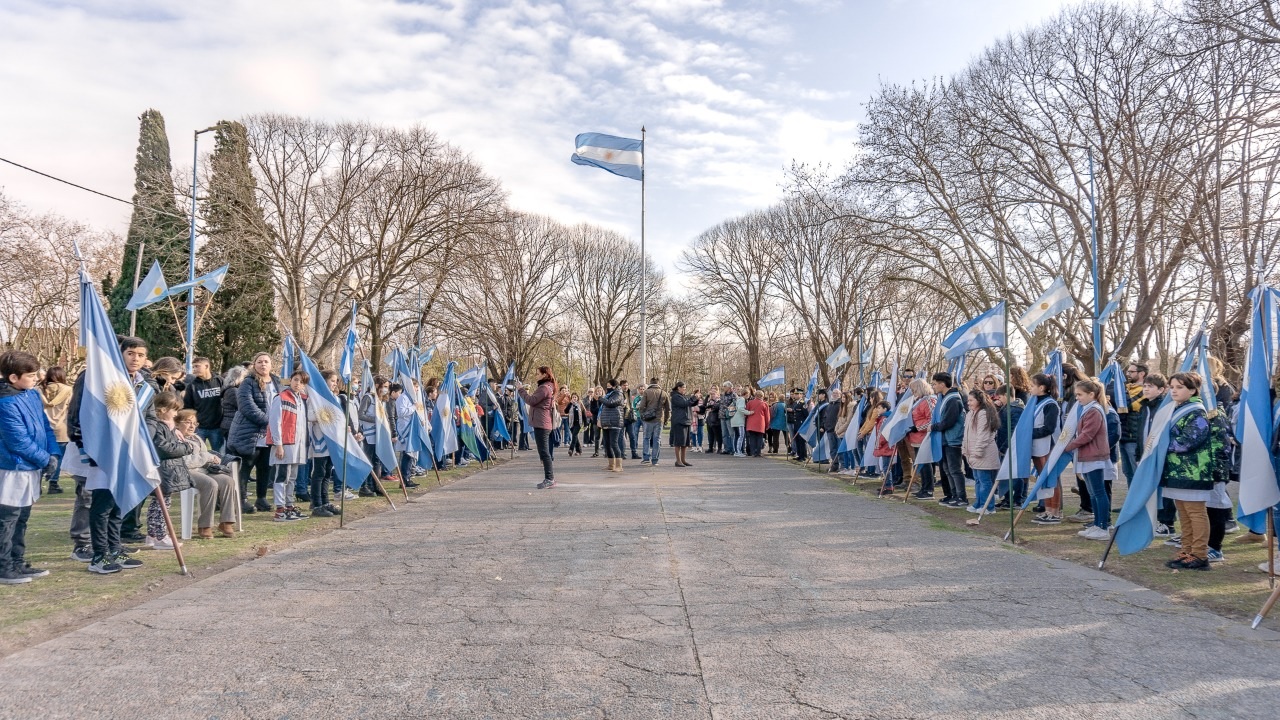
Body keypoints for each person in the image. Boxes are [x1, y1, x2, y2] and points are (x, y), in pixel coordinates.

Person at [0, 351, 60, 583]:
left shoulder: (32, 395)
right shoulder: (5, 403)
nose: (37, 379)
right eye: (31, 375)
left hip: (32, 466)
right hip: (12, 469)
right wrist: (45, 460)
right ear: (14, 377)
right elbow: (18, 441)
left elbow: (45, 427)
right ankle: (4, 566)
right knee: (8, 519)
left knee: (22, 517)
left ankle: (17, 561)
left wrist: (53, 453)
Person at [1159, 372, 1213, 570]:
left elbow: (1189, 441)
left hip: (1194, 471)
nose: (1174, 390)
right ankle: (1187, 549)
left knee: (1195, 513)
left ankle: (1200, 555)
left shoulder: (1197, 412)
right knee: (1183, 512)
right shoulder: (1177, 409)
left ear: (1192, 390)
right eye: (1172, 386)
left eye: (1179, 387)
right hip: (1177, 471)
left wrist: (1161, 444)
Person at [227, 352, 281, 513]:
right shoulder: (247, 383)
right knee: (247, 466)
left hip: (269, 434)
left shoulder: (277, 382)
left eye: (266, 362)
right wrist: (269, 421)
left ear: (271, 365)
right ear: (254, 365)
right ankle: (241, 499)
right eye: (259, 362)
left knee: (265, 466)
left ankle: (261, 498)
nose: (263, 364)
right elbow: (247, 407)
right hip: (249, 432)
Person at [1063, 379, 1115, 541]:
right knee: (1092, 493)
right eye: (1076, 395)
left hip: (1094, 457)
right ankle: (1097, 523)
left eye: (1080, 395)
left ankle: (1103, 527)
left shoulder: (1094, 410)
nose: (1077, 398)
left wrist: (1067, 446)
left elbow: (1087, 434)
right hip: (1087, 456)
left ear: (1091, 394)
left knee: (1099, 492)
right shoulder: (1087, 409)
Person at [174, 409, 238, 537]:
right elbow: (184, 463)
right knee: (210, 484)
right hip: (185, 473)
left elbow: (204, 458)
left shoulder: (196, 438)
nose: (192, 426)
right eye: (188, 422)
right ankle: (205, 525)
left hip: (203, 470)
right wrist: (206, 457)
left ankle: (226, 522)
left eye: (194, 423)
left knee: (228, 481)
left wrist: (212, 460)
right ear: (177, 424)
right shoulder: (175, 439)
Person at [146, 392, 191, 550]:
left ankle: (152, 534)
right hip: (163, 471)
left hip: (168, 471)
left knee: (160, 503)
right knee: (161, 505)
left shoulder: (168, 426)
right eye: (174, 410)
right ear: (163, 409)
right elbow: (163, 448)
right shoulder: (158, 426)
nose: (176, 414)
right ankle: (160, 535)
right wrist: (186, 447)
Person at [266, 369, 311, 521]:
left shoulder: (301, 400)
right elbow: (275, 422)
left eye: (302, 381)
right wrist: (278, 444)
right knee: (282, 477)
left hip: (297, 446)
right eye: (296, 380)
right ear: (291, 380)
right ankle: (279, 509)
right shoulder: (281, 398)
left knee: (292, 477)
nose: (298, 384)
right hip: (285, 444)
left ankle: (289, 506)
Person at [1029, 373, 1065, 524]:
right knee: (1043, 480)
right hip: (1037, 446)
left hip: (1048, 446)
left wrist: (1029, 433)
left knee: (1051, 479)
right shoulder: (1035, 402)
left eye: (1032, 385)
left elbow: (1049, 428)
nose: (1029, 388)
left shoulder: (1050, 404)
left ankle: (1055, 512)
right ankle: (1047, 510)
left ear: (1041, 388)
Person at [931, 372, 968, 507]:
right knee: (947, 469)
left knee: (955, 469)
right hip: (946, 439)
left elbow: (949, 421)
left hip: (953, 439)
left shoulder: (953, 399)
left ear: (942, 384)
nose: (933, 387)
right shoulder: (944, 397)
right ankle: (953, 495)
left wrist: (933, 427)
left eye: (935, 384)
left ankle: (961, 497)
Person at [518, 366, 558, 489]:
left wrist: (521, 390)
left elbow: (531, 400)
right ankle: (549, 478)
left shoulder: (544, 388)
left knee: (544, 452)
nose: (536, 376)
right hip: (542, 422)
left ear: (545, 374)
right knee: (543, 452)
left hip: (542, 423)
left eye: (538, 373)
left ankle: (549, 479)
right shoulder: (547, 387)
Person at [962, 389, 1001, 513]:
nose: (968, 403)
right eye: (968, 400)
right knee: (978, 480)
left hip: (983, 453)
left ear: (979, 400)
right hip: (972, 452)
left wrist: (977, 452)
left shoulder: (983, 414)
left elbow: (983, 436)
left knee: (985, 481)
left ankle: (988, 507)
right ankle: (979, 503)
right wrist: (965, 449)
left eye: (971, 400)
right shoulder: (970, 414)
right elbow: (966, 434)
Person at [38, 365, 71, 494]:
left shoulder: (38, 390)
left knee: (40, 456)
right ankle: (53, 483)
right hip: (61, 427)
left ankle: (38, 483)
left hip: (42, 427)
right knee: (57, 457)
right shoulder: (68, 390)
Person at [183, 356, 225, 453]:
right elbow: (187, 407)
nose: (194, 369)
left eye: (197, 366)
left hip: (217, 427)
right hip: (199, 427)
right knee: (197, 453)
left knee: (219, 455)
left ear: (206, 366)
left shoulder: (219, 381)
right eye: (193, 367)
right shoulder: (192, 386)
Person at [902, 380, 936, 499]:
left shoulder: (928, 400)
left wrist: (917, 428)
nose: (912, 392)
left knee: (925, 464)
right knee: (920, 464)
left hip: (924, 437)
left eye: (914, 389)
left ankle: (929, 489)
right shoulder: (918, 401)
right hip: (916, 438)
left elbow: (932, 419)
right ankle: (924, 487)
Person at [638, 378, 670, 466]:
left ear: (650, 383)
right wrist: (666, 419)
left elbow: (641, 406)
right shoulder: (664, 393)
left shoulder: (647, 392)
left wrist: (643, 416)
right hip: (659, 419)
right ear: (658, 383)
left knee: (646, 438)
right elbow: (668, 409)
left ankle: (646, 458)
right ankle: (655, 459)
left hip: (648, 420)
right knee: (657, 439)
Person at [598, 379, 625, 473]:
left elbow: (610, 403)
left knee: (614, 444)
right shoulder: (608, 395)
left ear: (614, 386)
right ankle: (611, 464)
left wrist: (600, 398)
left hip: (614, 422)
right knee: (607, 444)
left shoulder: (618, 394)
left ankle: (619, 465)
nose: (607, 388)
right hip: (606, 422)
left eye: (609, 386)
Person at [669, 382, 696, 467]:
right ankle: (678, 460)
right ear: (678, 388)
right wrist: (693, 398)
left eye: (685, 387)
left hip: (686, 420)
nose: (684, 389)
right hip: (679, 421)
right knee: (678, 442)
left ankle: (683, 460)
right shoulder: (675, 397)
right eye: (683, 387)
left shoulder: (684, 396)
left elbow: (691, 403)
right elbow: (684, 404)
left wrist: (696, 398)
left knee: (685, 442)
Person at [745, 389, 770, 458]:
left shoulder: (750, 403)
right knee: (759, 438)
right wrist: (767, 425)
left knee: (752, 438)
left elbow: (746, 412)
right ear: (762, 396)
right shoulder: (764, 404)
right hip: (760, 423)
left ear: (755, 395)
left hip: (751, 423)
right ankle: (758, 452)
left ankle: (753, 452)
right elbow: (767, 416)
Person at [787, 388, 809, 461]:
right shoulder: (796, 403)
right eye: (795, 394)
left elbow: (806, 415)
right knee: (797, 440)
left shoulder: (803, 404)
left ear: (801, 395)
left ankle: (803, 456)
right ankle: (799, 455)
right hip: (796, 424)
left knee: (801, 440)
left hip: (801, 424)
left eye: (797, 394)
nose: (795, 396)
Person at [731, 385, 750, 457]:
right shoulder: (742, 399)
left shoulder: (737, 399)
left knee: (736, 436)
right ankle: (738, 451)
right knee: (741, 435)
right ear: (746, 394)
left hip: (734, 420)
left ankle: (736, 451)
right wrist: (749, 412)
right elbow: (740, 409)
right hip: (739, 421)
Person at [718, 382, 737, 455]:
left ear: (729, 387)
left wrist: (728, 408)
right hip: (722, 416)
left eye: (725, 386)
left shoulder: (734, 395)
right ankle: (726, 448)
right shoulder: (722, 395)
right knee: (724, 433)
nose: (723, 387)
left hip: (729, 416)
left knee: (731, 433)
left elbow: (735, 405)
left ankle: (733, 449)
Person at [703, 389, 722, 454]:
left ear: (717, 394)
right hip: (709, 419)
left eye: (714, 394)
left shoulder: (719, 400)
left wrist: (712, 407)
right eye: (711, 394)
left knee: (718, 435)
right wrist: (707, 396)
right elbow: (704, 405)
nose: (712, 395)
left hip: (716, 420)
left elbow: (717, 407)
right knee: (710, 435)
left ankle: (719, 448)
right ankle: (710, 448)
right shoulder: (709, 401)